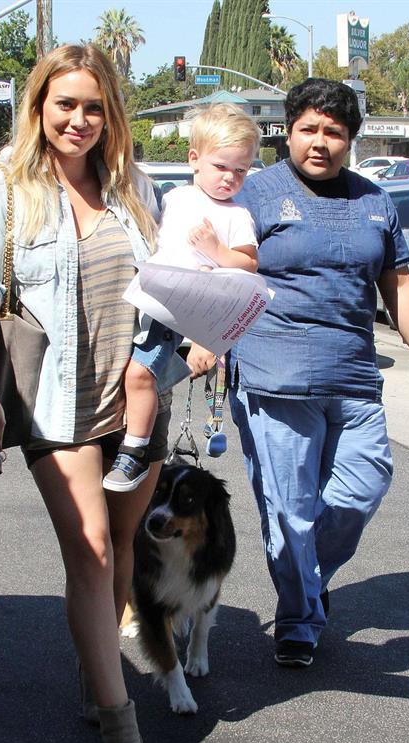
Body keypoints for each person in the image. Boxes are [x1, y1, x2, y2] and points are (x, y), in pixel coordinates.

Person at [0, 44, 167, 743]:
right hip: (55, 398)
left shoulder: (133, 184)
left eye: (94, 106)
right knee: (93, 546)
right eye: (65, 103)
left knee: (124, 547)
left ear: (111, 113)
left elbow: (165, 281)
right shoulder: (2, 188)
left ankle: (94, 661)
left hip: (136, 394)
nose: (79, 120)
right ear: (39, 103)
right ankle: (119, 725)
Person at [188, 78, 409, 668]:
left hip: (355, 377)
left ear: (351, 138)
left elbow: (399, 283)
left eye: (334, 132)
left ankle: (305, 576)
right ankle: (300, 619)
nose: (320, 142)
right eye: (308, 128)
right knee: (288, 506)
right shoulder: (254, 194)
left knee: (363, 486)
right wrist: (203, 338)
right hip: (272, 377)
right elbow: (206, 266)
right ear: (289, 132)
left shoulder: (375, 201)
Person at [102, 104, 261, 492]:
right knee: (121, 373)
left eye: (240, 171)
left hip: (177, 310)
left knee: (140, 374)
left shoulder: (236, 214)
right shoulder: (174, 198)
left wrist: (217, 252)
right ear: (194, 159)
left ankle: (135, 450)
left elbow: (249, 263)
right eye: (221, 166)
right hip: (143, 296)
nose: (230, 178)